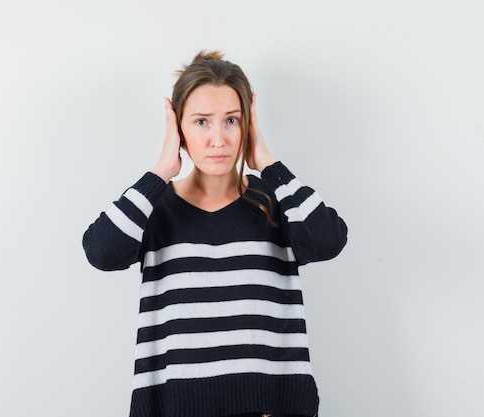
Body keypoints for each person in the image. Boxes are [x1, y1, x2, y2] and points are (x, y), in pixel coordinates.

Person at [82, 50, 348, 417]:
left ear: (248, 124)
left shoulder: (276, 200)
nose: (218, 139)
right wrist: (161, 169)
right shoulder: (154, 207)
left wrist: (268, 162)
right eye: (202, 122)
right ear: (178, 128)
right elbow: (101, 252)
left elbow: (327, 241)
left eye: (232, 120)